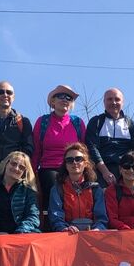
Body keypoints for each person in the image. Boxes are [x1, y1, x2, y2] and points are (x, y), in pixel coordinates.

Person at [31, 85, 86, 214]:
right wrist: (32, 174)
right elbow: (36, 150)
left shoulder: (78, 123)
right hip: (49, 168)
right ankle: (55, 224)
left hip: (74, 166)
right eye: (60, 96)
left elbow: (84, 151)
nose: (65, 99)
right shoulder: (42, 122)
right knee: (55, 185)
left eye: (69, 97)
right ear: (53, 101)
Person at [85, 87, 134, 188]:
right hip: (102, 169)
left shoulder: (131, 125)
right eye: (109, 99)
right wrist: (105, 172)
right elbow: (92, 147)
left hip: (127, 169)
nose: (114, 102)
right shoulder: (96, 122)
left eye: (117, 99)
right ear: (104, 102)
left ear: (122, 102)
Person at [48, 142, 108, 233]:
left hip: (91, 237)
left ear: (85, 163)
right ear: (65, 165)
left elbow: (101, 217)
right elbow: (56, 216)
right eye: (69, 160)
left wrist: (97, 229)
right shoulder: (57, 189)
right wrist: (63, 228)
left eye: (78, 159)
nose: (74, 162)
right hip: (67, 236)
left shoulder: (96, 189)